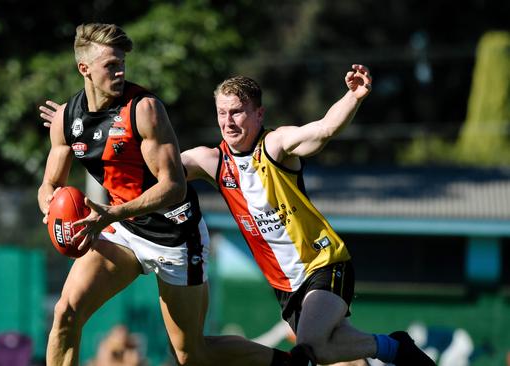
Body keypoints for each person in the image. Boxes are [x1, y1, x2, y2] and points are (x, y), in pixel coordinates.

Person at [37, 22, 300, 366]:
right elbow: (50, 186)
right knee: (65, 314)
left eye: (121, 64)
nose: (120, 71)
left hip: (174, 234)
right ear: (83, 69)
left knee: (192, 355)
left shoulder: (143, 109)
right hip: (123, 231)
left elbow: (174, 186)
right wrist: (52, 212)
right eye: (110, 66)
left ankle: (294, 364)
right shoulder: (66, 120)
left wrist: (110, 215)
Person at [178, 68, 436, 366]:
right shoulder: (211, 161)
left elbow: (324, 129)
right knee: (332, 356)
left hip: (324, 263)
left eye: (237, 112)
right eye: (221, 113)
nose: (227, 121)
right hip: (286, 287)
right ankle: (394, 347)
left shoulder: (275, 145)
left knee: (307, 350)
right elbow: (164, 168)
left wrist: (353, 96)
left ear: (259, 115)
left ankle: (393, 348)